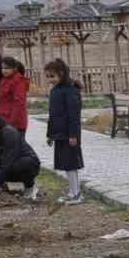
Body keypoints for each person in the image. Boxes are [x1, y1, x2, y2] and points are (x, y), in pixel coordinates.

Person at [44, 59, 84, 204]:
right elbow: (52, 115)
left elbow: (74, 115)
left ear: (61, 74)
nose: (50, 80)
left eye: (52, 76)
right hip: (59, 134)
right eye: (48, 76)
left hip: (69, 135)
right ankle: (72, 192)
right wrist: (50, 135)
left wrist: (73, 135)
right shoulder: (55, 91)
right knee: (67, 165)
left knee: (71, 164)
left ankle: (76, 194)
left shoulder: (70, 91)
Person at [0, 57, 29, 133]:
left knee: (17, 144)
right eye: (2, 68)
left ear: (15, 68)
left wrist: (11, 122)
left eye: (7, 68)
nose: (4, 70)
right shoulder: (3, 80)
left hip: (15, 123)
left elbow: (19, 104)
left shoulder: (18, 81)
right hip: (3, 120)